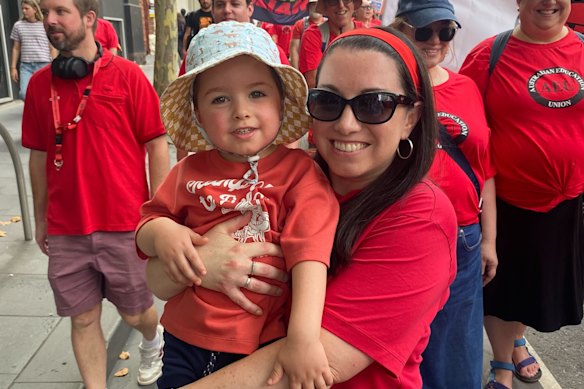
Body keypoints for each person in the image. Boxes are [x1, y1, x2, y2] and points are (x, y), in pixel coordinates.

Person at [148, 26, 459, 388]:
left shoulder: (422, 220)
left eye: (375, 105)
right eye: (329, 101)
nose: (346, 124)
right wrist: (200, 261)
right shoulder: (281, 178)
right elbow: (155, 278)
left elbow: (297, 371)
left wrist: (191, 265)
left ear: (411, 118)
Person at [136, 21, 339, 388]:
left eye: (257, 94)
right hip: (183, 339)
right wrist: (162, 232)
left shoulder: (299, 175)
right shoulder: (187, 172)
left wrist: (303, 338)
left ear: (282, 103)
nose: (240, 111)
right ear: (197, 114)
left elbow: (310, 255)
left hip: (260, 342)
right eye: (220, 99)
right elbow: (148, 223)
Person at [22, 0, 170, 387]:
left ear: (89, 19)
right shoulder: (39, 86)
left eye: (60, 11)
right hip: (66, 228)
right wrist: (40, 219)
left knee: (137, 313)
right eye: (45, 11)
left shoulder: (128, 76)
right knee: (82, 316)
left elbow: (156, 144)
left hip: (124, 222)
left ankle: (154, 341)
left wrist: (158, 214)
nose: (49, 19)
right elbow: (38, 157)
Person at [459, 1, 584, 388]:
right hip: (507, 203)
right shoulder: (487, 57)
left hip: (567, 204)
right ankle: (501, 362)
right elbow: (464, 127)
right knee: (504, 289)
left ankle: (515, 339)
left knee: (536, 287)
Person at [391, 0, 497, 388]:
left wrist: (490, 240)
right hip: (403, 235)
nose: (435, 41)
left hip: (463, 240)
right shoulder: (385, 88)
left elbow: (486, 167)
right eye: (423, 31)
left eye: (445, 31)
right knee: (404, 351)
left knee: (456, 354)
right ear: (401, 30)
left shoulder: (466, 86)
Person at [175, 0, 289, 161]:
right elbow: (185, 111)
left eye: (235, 4)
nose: (227, 11)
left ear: (250, 9)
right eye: (220, 5)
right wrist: (182, 166)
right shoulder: (196, 57)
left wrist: (288, 161)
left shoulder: (271, 51)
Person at [299, 0, 364, 88]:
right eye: (333, 1)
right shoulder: (313, 35)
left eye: (346, 0)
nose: (341, 6)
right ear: (325, 8)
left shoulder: (367, 33)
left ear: (354, 4)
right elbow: (313, 82)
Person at [10, 0, 56, 100]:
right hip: (26, 66)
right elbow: (16, 48)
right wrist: (13, 67)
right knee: (23, 93)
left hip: (44, 64)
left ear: (35, 9)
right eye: (22, 8)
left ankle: (39, 112)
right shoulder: (18, 26)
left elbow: (52, 47)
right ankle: (34, 110)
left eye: (26, 8)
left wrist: (54, 63)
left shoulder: (44, 24)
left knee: (45, 92)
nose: (23, 11)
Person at [289, 0, 324, 69]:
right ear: (308, 8)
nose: (315, 8)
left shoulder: (330, 24)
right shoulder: (300, 25)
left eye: (317, 5)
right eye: (313, 5)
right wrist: (297, 73)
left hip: (324, 67)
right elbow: (294, 50)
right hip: (305, 67)